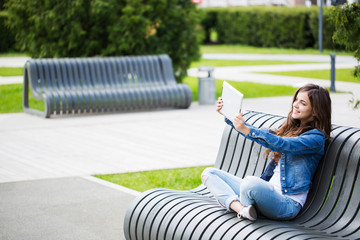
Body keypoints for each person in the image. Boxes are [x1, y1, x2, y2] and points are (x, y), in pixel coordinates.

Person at [201, 83, 332, 221]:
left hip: (286, 203)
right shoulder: (292, 129)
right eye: (296, 99)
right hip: (267, 192)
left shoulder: (316, 138)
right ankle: (242, 209)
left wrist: (246, 129)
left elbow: (283, 144)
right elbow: (266, 135)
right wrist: (229, 115)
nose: (295, 104)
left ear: (315, 111)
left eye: (303, 103)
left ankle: (233, 202)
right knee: (209, 173)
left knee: (249, 183)